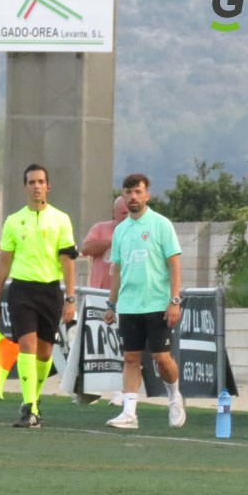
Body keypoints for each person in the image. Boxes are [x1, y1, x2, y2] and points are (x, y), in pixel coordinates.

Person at [0, 164, 78, 428]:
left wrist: (70, 298)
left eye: (40, 181)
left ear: (48, 186)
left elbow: (68, 261)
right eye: (31, 182)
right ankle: (29, 408)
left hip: (51, 291)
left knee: (45, 352)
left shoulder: (61, 219)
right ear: (25, 187)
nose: (36, 186)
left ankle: (34, 403)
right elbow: (3, 263)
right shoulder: (14, 221)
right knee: (27, 344)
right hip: (22, 290)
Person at [104, 173, 186, 430]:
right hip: (129, 306)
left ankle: (174, 397)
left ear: (147, 195)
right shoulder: (120, 231)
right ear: (123, 196)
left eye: (138, 192)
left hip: (157, 304)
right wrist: (111, 304)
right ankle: (130, 413)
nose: (133, 197)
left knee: (162, 358)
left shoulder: (161, 225)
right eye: (129, 192)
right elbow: (116, 271)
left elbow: (174, 265)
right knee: (130, 357)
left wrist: (174, 300)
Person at [79, 196, 129, 406]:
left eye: (129, 212)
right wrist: (111, 241)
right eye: (123, 213)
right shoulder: (101, 228)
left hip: (125, 296)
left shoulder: (137, 232)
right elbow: (86, 248)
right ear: (114, 212)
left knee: (120, 344)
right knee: (93, 343)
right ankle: (87, 389)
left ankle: (120, 391)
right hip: (99, 294)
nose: (126, 216)